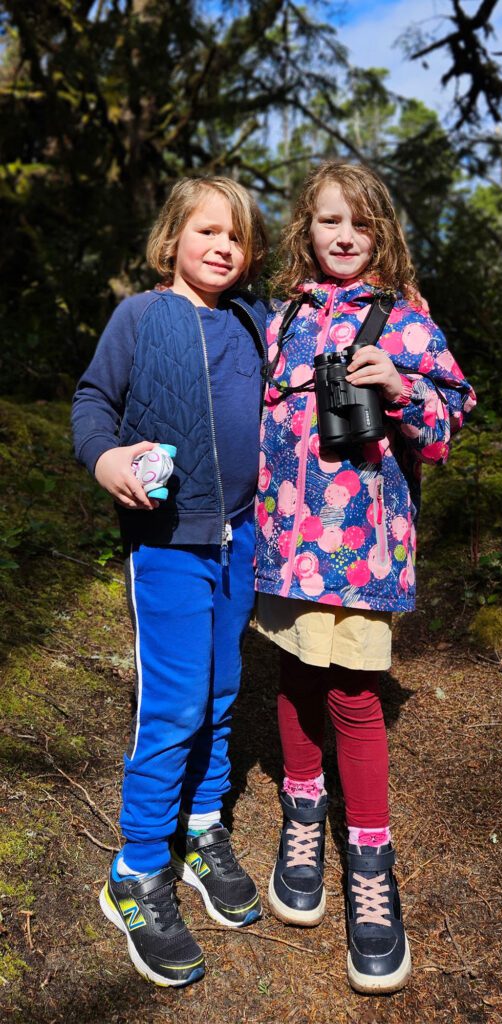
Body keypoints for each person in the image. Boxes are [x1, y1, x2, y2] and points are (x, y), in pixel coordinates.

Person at [255, 161, 476, 993]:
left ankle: (370, 858)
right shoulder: (282, 318)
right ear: (304, 230)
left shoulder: (407, 321)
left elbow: (447, 425)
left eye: (359, 223)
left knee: (353, 691)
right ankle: (303, 808)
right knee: (294, 672)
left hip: (362, 550)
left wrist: (401, 388)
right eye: (328, 220)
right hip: (284, 542)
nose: (343, 236)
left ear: (382, 233)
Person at [71, 177, 268, 988]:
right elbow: (93, 401)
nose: (222, 246)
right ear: (172, 239)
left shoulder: (254, 321)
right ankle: (137, 868)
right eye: (206, 231)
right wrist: (106, 458)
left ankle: (201, 827)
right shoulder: (140, 316)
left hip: (241, 536)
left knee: (222, 690)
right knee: (176, 703)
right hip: (167, 540)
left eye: (237, 236)